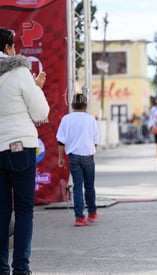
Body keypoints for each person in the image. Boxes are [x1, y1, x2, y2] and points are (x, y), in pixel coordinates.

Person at [0, 27, 49, 275]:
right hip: (20, 145)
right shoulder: (19, 71)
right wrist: (36, 87)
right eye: (14, 45)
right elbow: (41, 113)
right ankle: (21, 268)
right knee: (24, 210)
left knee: (0, 211)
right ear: (8, 48)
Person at [56, 94, 100, 227]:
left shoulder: (66, 119)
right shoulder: (90, 119)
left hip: (73, 156)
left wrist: (61, 158)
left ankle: (79, 217)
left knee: (77, 186)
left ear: (72, 105)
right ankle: (92, 212)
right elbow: (96, 140)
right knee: (89, 186)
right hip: (88, 156)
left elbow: (60, 141)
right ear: (86, 106)